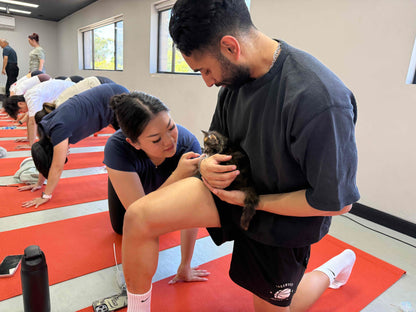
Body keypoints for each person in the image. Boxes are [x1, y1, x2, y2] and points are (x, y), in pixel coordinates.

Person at [121, 1, 360, 312]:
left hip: (282, 219)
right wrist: (207, 165)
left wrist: (253, 202)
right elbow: (216, 144)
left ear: (230, 47)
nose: (207, 81)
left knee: (275, 306)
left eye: (206, 70)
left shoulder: (319, 99)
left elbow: (337, 202)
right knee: (138, 217)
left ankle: (333, 269)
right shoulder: (233, 82)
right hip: (236, 192)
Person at [103, 92, 210, 287]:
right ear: (134, 143)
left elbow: (192, 212)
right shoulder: (117, 148)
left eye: (171, 127)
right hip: (133, 185)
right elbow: (139, 212)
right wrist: (177, 175)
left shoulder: (188, 145)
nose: (169, 141)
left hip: (163, 185)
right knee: (124, 227)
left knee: (171, 213)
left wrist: (185, 265)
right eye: (155, 140)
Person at [18, 83, 129, 208]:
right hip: (108, 96)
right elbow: (44, 156)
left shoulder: (59, 130)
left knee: (128, 142)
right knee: (124, 139)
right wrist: (39, 183)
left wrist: (46, 195)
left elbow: (57, 166)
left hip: (117, 98)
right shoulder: (46, 127)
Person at [4, 79, 75, 148]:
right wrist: (29, 138)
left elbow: (32, 122)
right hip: (67, 91)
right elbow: (29, 119)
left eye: (20, 111)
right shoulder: (28, 97)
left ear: (20, 104)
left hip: (73, 91)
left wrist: (31, 144)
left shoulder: (32, 97)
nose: (23, 113)